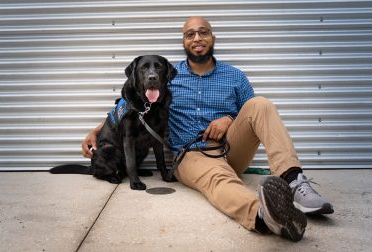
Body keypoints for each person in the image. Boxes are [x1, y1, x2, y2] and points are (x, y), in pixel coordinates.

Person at [81, 16, 333, 241]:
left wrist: (230, 120)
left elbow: (253, 117)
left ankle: (293, 181)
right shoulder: (168, 74)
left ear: (213, 37)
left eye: (203, 32)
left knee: (261, 105)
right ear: (184, 41)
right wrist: (97, 130)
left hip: (231, 148)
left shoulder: (235, 76)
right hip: (191, 154)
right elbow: (131, 107)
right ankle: (263, 215)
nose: (197, 38)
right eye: (190, 34)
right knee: (218, 180)